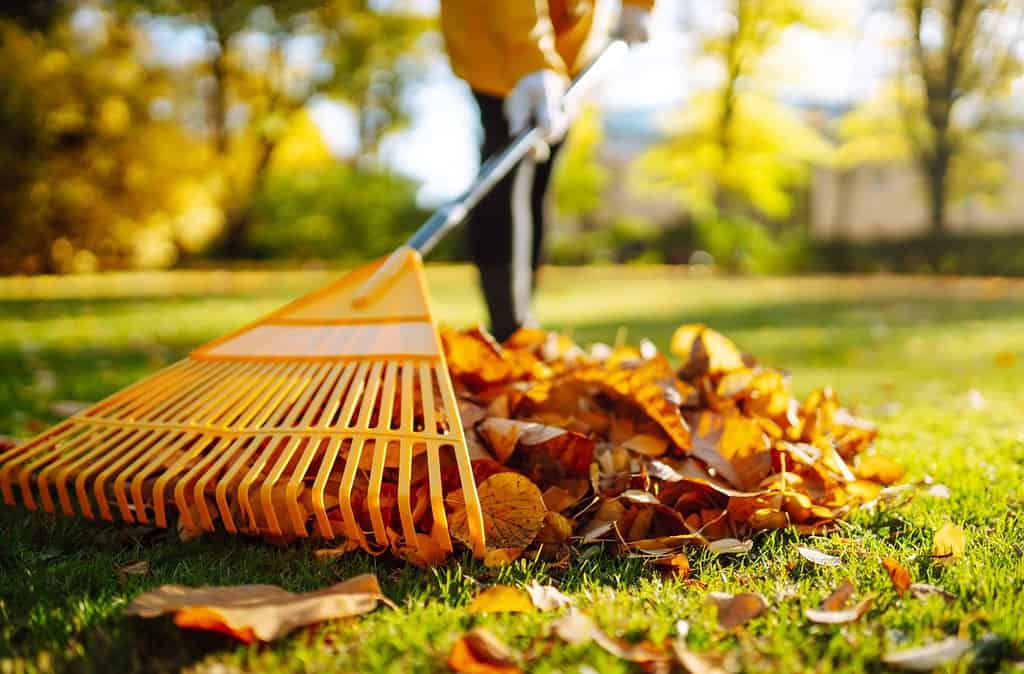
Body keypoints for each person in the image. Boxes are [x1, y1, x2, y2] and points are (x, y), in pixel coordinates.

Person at [438, 1, 654, 341]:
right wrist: (529, 58)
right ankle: (510, 326)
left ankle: (522, 325)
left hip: (570, 49)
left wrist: (639, 6)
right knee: (505, 174)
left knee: (540, 175)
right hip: (493, 35)